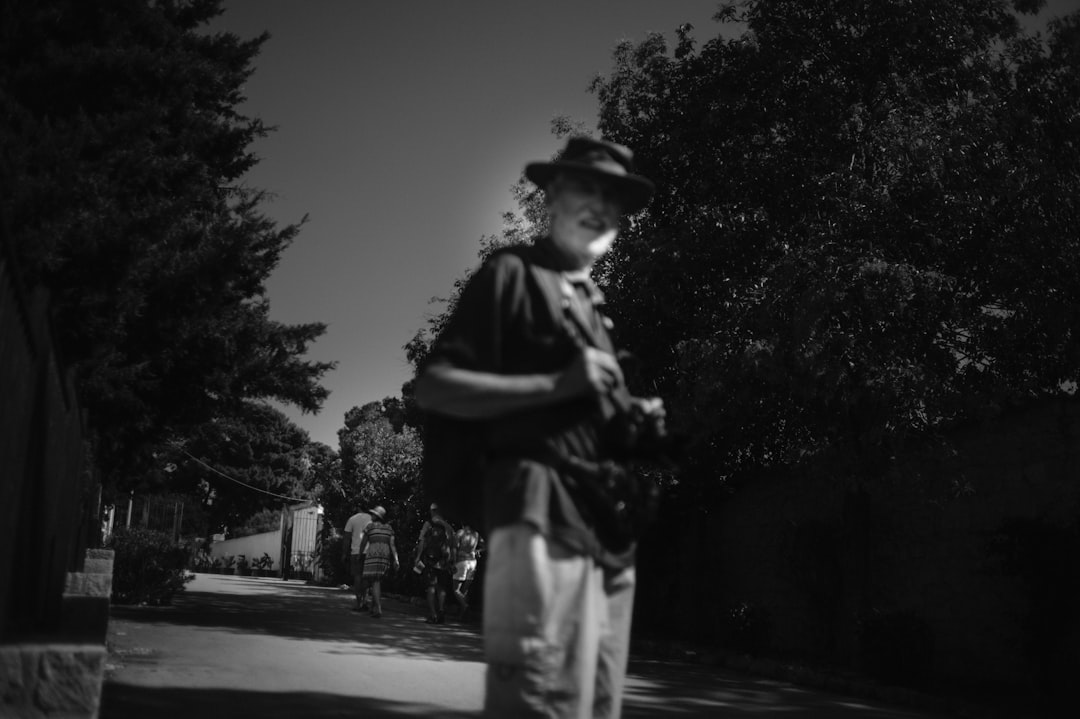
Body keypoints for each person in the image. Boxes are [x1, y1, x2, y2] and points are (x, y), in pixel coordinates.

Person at [414, 136, 663, 718]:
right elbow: (435, 386)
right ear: (551, 195)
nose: (602, 205)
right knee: (539, 704)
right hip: (539, 517)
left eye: (615, 196)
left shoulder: (594, 304)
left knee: (595, 709)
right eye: (586, 187)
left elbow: (581, 412)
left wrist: (631, 420)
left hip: (606, 534)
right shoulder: (512, 273)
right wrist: (557, 387)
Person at [414, 502, 456, 624]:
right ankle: (441, 611)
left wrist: (418, 557)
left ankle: (433, 615)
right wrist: (452, 561)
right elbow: (453, 545)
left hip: (430, 560)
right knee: (441, 587)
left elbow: (422, 541)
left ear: (432, 511)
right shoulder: (448, 527)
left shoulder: (429, 524)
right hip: (444, 561)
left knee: (431, 587)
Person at [356, 505, 398, 618]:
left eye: (373, 514)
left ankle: (378, 608)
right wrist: (396, 559)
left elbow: (364, 543)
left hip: (373, 554)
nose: (371, 515)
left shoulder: (370, 527)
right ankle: (373, 607)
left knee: (374, 581)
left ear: (377, 516)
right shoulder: (388, 528)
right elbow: (392, 545)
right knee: (377, 581)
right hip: (385, 554)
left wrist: (360, 555)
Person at [342, 505, 373, 612]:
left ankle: (358, 603)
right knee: (367, 578)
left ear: (358, 507)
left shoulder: (352, 519)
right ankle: (365, 601)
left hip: (355, 552)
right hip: (369, 552)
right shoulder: (371, 519)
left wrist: (344, 553)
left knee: (357, 577)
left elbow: (346, 538)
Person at [451, 523, 483, 618]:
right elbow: (485, 545)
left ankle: (465, 606)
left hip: (461, 561)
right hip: (473, 562)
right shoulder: (476, 534)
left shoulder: (460, 533)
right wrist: (477, 551)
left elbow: (454, 548)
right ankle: (462, 615)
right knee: (464, 590)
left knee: (456, 590)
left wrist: (453, 562)